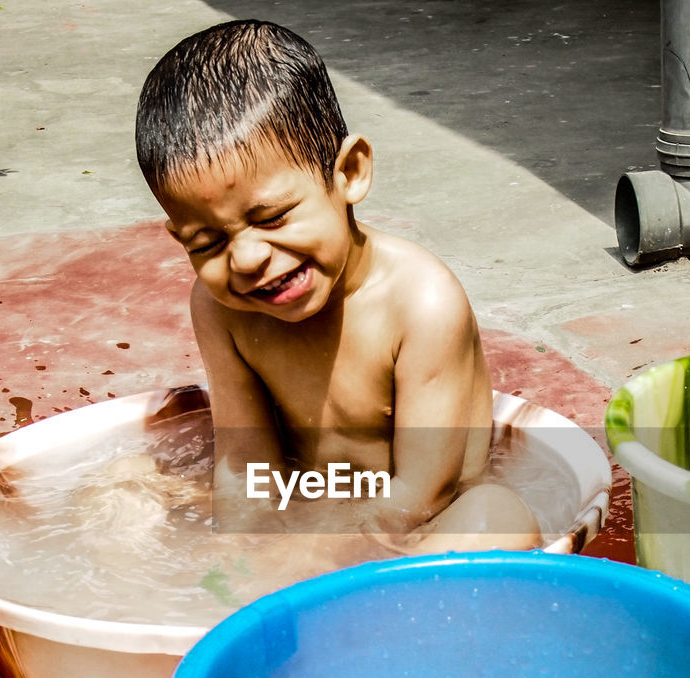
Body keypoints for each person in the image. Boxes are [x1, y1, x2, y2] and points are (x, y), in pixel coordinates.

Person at [135, 19, 538, 564]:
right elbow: (245, 464)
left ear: (349, 172)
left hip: (421, 527)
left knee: (499, 518)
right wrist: (237, 556)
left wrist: (320, 556)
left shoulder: (420, 302)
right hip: (308, 512)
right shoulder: (219, 308)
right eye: (206, 242)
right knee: (121, 492)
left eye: (273, 217)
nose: (248, 259)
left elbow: (425, 491)